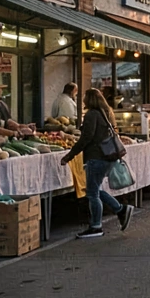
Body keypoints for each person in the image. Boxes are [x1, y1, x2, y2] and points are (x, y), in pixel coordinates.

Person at [60, 88, 135, 239]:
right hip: (106, 157)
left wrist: (70, 155)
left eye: (85, 97)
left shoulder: (92, 115)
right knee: (94, 190)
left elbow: (86, 138)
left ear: (90, 99)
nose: (83, 100)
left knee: (93, 193)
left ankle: (96, 225)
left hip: (96, 157)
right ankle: (120, 209)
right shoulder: (106, 113)